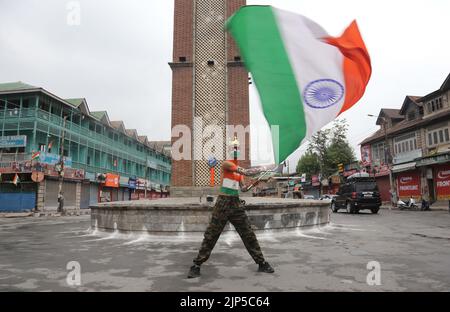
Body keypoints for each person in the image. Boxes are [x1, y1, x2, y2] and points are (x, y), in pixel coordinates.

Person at [187, 151, 275, 279]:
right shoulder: (226, 164)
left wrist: (256, 182)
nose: (235, 157)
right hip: (223, 203)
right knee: (211, 235)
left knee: (248, 234)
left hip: (235, 204)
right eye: (233, 154)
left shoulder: (238, 175)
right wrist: (267, 167)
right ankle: (196, 265)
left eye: (236, 155)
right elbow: (247, 172)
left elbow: (244, 189)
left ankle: (261, 263)